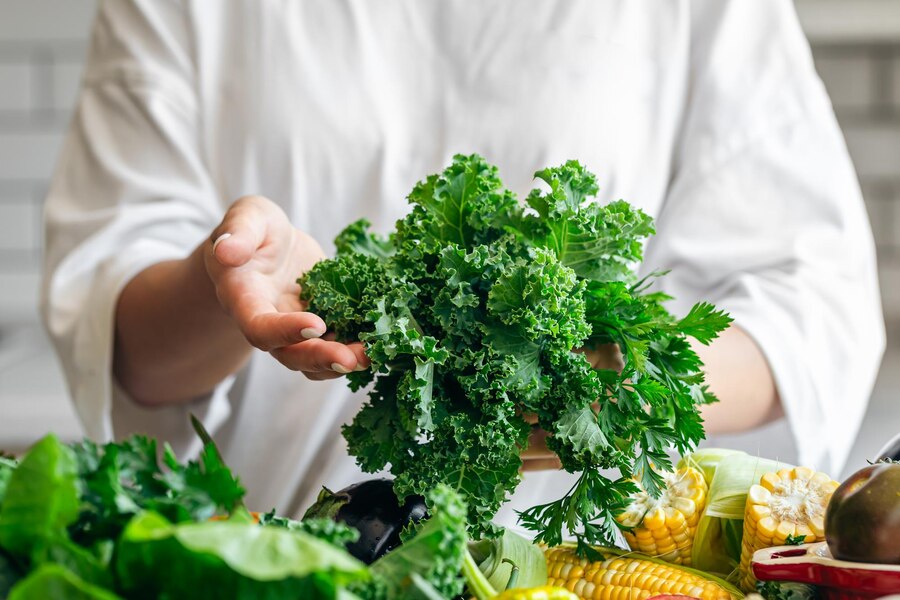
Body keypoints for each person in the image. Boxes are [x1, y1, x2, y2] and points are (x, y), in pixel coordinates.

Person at [42, 0, 884, 519]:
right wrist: (226, 281)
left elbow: (812, 298)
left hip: (593, 565)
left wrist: (614, 380)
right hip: (286, 549)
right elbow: (118, 330)